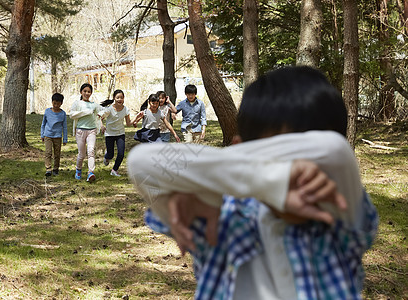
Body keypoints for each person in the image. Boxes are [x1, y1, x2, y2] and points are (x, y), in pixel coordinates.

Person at [127, 66, 378, 299]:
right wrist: (270, 182)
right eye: (280, 159)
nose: (297, 174)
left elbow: (333, 147)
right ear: (241, 151)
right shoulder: (223, 215)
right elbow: (142, 162)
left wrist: (222, 172)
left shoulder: (339, 211)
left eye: (307, 160)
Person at [69, 83, 104, 182]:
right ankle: (78, 169)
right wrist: (86, 112)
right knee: (82, 154)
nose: (87, 93)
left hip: (91, 130)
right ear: (81, 92)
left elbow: (102, 113)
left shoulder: (94, 105)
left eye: (89, 91)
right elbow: (71, 115)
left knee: (91, 151)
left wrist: (101, 123)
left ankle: (90, 172)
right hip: (80, 131)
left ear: (91, 93)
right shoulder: (77, 103)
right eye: (85, 91)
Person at [98, 89, 133, 177]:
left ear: (124, 98)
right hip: (109, 134)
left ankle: (114, 170)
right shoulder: (109, 109)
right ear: (114, 98)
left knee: (121, 153)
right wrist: (102, 126)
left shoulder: (126, 109)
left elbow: (129, 124)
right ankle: (107, 156)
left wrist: (137, 119)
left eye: (121, 98)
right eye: (117, 98)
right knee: (111, 154)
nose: (119, 99)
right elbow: (99, 118)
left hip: (120, 134)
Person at [40, 93, 68, 177]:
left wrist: (65, 139)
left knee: (57, 154)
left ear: (61, 103)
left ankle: (56, 169)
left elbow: (65, 127)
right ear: (52, 102)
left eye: (58, 103)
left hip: (58, 136)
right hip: (48, 135)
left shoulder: (62, 114)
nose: (56, 105)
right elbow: (43, 124)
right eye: (54, 103)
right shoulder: (47, 111)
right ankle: (48, 169)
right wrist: (42, 134)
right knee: (48, 152)